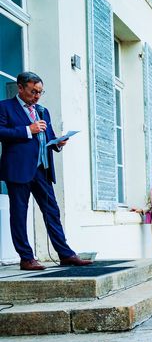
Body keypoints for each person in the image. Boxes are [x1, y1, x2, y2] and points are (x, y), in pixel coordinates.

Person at [0, 71, 92, 270]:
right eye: (33, 91)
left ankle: (65, 254)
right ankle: (26, 258)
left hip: (42, 170)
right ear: (21, 88)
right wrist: (27, 130)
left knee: (52, 212)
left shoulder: (43, 110)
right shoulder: (5, 107)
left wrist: (58, 143)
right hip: (19, 170)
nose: (37, 96)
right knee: (19, 214)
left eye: (40, 92)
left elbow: (47, 136)